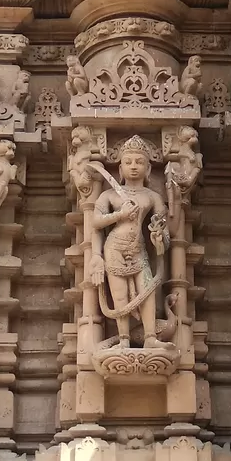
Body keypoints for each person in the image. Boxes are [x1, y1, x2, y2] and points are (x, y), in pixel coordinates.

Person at [91, 136, 170, 348]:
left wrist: (159, 237)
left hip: (139, 249)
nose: (134, 166)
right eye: (128, 162)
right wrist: (120, 215)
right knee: (120, 294)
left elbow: (163, 226)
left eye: (139, 162)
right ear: (120, 168)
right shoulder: (109, 195)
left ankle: (150, 337)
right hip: (114, 247)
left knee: (147, 290)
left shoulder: (152, 197)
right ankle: (124, 339)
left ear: (148, 168)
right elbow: (96, 223)